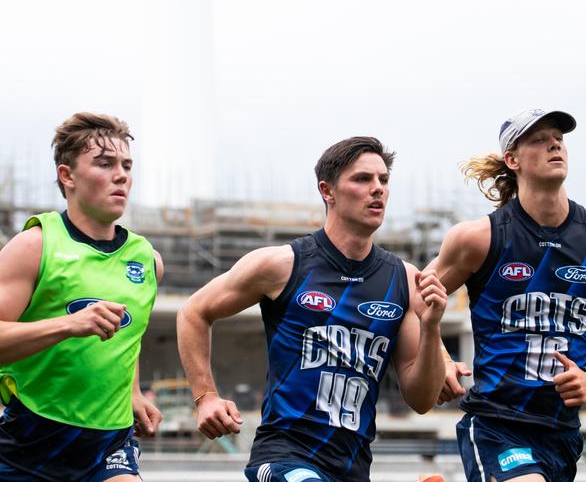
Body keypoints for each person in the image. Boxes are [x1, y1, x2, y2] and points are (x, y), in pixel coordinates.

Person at [177, 136, 448, 482]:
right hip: (283, 456)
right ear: (327, 191)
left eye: (383, 180)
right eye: (363, 179)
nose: (377, 189)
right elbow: (194, 312)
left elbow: (422, 400)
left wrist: (432, 326)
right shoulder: (282, 265)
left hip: (353, 466)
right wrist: (206, 397)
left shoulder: (404, 279)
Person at [428, 108, 586, 482]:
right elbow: (411, 302)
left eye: (558, 138)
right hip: (496, 423)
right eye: (538, 139)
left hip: (561, 432)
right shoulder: (478, 238)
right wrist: (441, 359)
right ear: (512, 160)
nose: (554, 144)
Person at [0, 112, 164, 481]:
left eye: (126, 165)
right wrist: (68, 325)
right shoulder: (34, 245)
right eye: (104, 164)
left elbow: (129, 337)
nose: (121, 175)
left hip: (110, 444)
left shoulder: (147, 260)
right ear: (67, 176)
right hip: (32, 440)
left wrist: (134, 391)